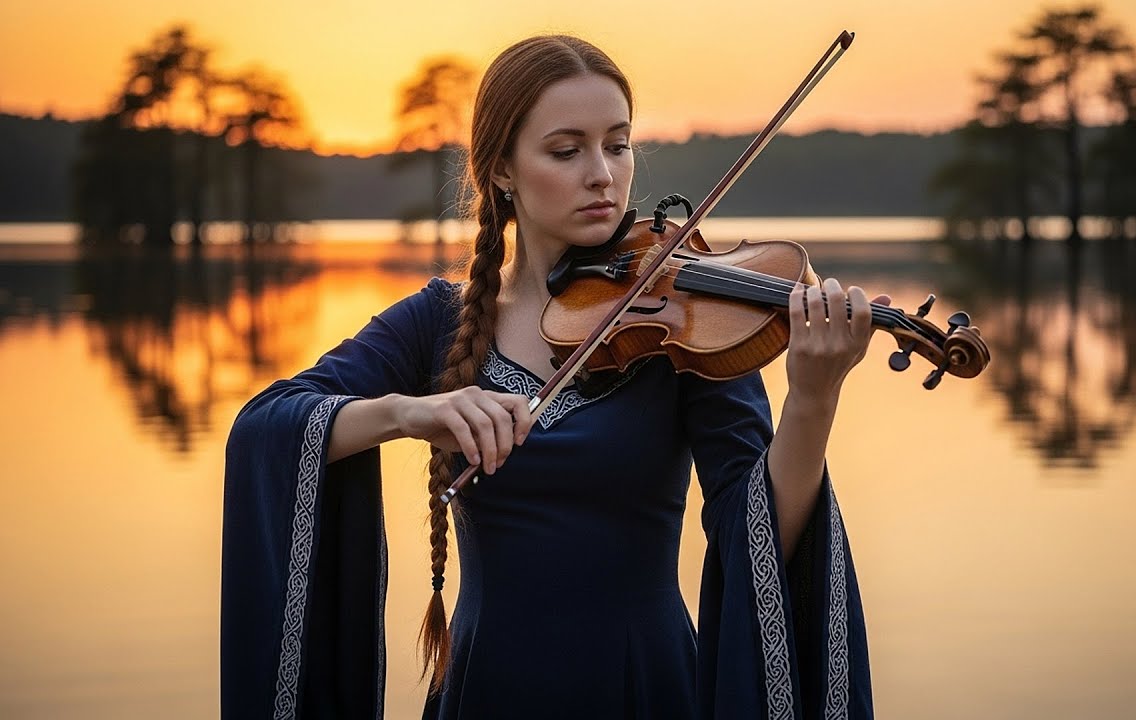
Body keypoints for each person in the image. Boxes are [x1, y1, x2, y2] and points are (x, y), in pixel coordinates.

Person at [222, 35, 882, 719]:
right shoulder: (437, 321)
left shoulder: (691, 323)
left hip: (645, 690)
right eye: (566, 151)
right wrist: (408, 413)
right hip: (483, 689)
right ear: (503, 170)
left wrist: (813, 397)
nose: (602, 173)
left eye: (618, 145)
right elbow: (267, 424)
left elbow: (758, 540)